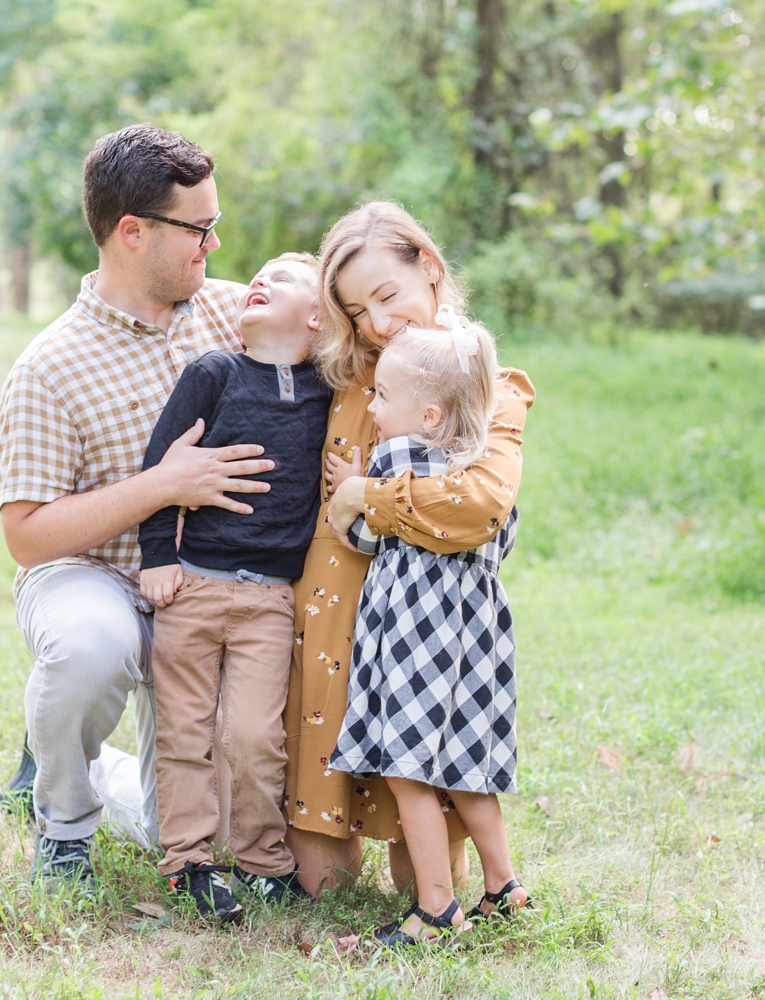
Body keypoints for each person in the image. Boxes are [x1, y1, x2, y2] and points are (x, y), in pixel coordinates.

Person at [0, 124, 275, 885]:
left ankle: (69, 754)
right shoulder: (49, 366)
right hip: (96, 577)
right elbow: (27, 537)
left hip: (211, 590)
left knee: (178, 832)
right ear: (131, 233)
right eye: (199, 229)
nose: (213, 246)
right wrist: (162, 485)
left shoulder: (236, 316)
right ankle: (62, 826)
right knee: (90, 647)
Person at [281, 201, 535, 902]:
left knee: (415, 856)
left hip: (422, 632)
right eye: (359, 310)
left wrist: (365, 494)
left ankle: (458, 897)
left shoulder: (480, 384)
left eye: (388, 295)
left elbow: (480, 507)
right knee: (323, 881)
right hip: (332, 624)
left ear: (428, 265)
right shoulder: (340, 372)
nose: (380, 323)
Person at [327, 316, 531, 944]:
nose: (374, 405)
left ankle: (436, 909)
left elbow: (360, 535)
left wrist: (352, 492)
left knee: (408, 767)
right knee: (467, 765)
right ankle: (505, 888)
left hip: (417, 635)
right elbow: (505, 537)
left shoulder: (395, 459)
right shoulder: (478, 469)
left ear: (433, 414)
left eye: (385, 395)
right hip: (479, 634)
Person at [137, 253, 328, 919]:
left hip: (269, 600)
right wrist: (159, 555)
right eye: (260, 273)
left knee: (253, 736)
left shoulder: (325, 394)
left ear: (318, 316)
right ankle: (188, 860)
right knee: (185, 730)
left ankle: (262, 860)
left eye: (285, 276)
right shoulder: (212, 374)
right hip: (193, 585)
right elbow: (160, 467)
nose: (261, 279)